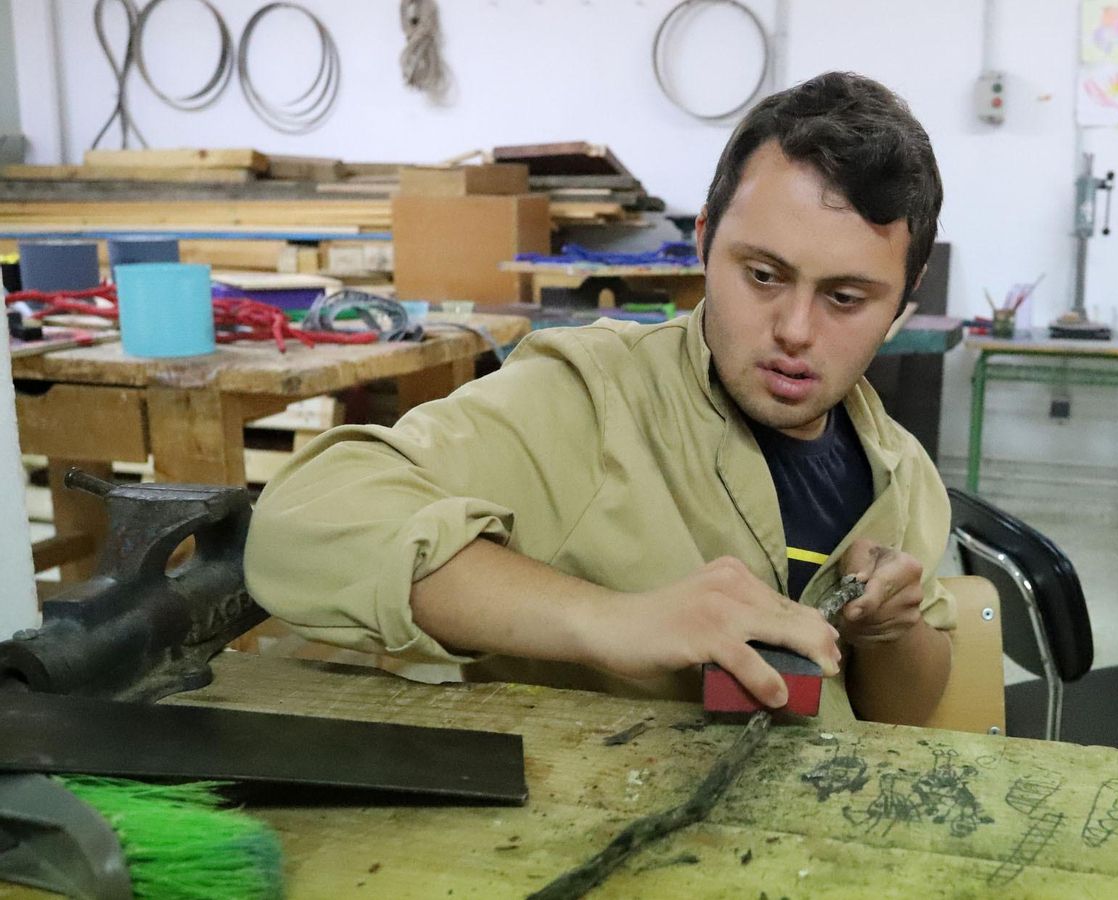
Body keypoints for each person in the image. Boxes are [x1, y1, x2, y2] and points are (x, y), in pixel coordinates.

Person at [243, 72, 955, 728]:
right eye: (763, 275)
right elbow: (302, 523)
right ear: (705, 241)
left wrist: (895, 634)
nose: (795, 331)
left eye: (845, 297)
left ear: (904, 296)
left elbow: (903, 718)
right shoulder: (591, 400)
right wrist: (617, 621)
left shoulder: (902, 475)